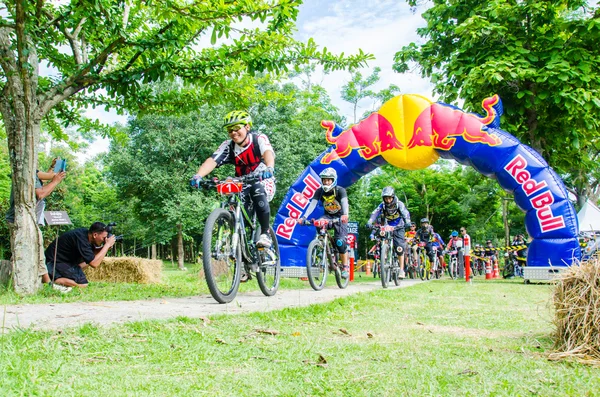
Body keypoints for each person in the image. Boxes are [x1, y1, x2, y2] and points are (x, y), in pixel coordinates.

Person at [190, 110, 275, 248]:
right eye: (230, 130)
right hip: (242, 182)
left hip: (262, 178)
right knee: (236, 208)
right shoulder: (228, 145)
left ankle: (265, 234)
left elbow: (268, 152)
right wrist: (198, 175)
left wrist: (269, 167)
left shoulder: (258, 138)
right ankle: (239, 245)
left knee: (257, 189)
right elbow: (212, 160)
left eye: (236, 128)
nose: (233, 133)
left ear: (247, 127)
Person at [5, 159, 67, 291]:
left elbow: (44, 178)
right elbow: (41, 193)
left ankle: (37, 282)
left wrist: (53, 169)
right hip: (23, 221)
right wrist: (56, 181)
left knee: (30, 250)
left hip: (27, 220)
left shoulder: (30, 173)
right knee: (34, 250)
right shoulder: (29, 173)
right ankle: (46, 284)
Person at [298, 168, 350, 278]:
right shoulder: (319, 191)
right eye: (324, 180)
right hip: (327, 216)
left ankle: (345, 266)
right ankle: (323, 247)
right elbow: (312, 204)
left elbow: (345, 203)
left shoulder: (340, 190)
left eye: (328, 180)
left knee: (340, 242)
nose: (326, 182)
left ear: (333, 180)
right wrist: (304, 217)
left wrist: (345, 214)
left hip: (340, 218)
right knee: (318, 223)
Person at [45, 222, 116, 288]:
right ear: (95, 235)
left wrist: (105, 247)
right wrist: (107, 245)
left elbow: (92, 256)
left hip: (64, 260)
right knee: (83, 284)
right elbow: (94, 264)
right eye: (103, 238)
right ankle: (54, 281)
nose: (104, 240)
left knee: (87, 262)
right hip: (54, 262)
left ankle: (60, 278)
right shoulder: (82, 240)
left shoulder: (85, 235)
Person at [366, 186, 411, 278]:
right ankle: (384, 257)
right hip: (387, 226)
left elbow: (405, 213)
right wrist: (370, 222)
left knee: (399, 247)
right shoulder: (382, 205)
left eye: (389, 198)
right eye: (386, 198)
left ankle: (401, 270)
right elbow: (375, 213)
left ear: (393, 197)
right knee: (383, 240)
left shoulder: (399, 204)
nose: (388, 200)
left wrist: (408, 222)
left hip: (399, 226)